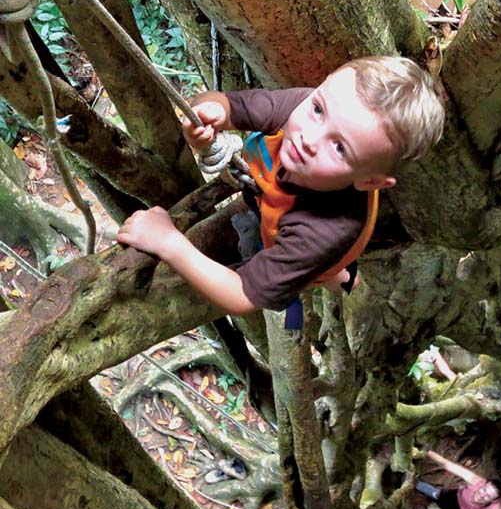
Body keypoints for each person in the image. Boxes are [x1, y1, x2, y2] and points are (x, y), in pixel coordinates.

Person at [117, 56, 444, 320]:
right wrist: (209, 114)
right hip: (277, 202)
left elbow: (243, 294)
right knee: (319, 263)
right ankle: (338, 276)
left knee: (321, 268)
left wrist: (168, 241)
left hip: (316, 241)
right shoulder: (306, 108)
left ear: (370, 182)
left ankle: (335, 277)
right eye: (318, 109)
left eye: (340, 148)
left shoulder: (324, 229)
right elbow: (225, 105)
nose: (309, 138)